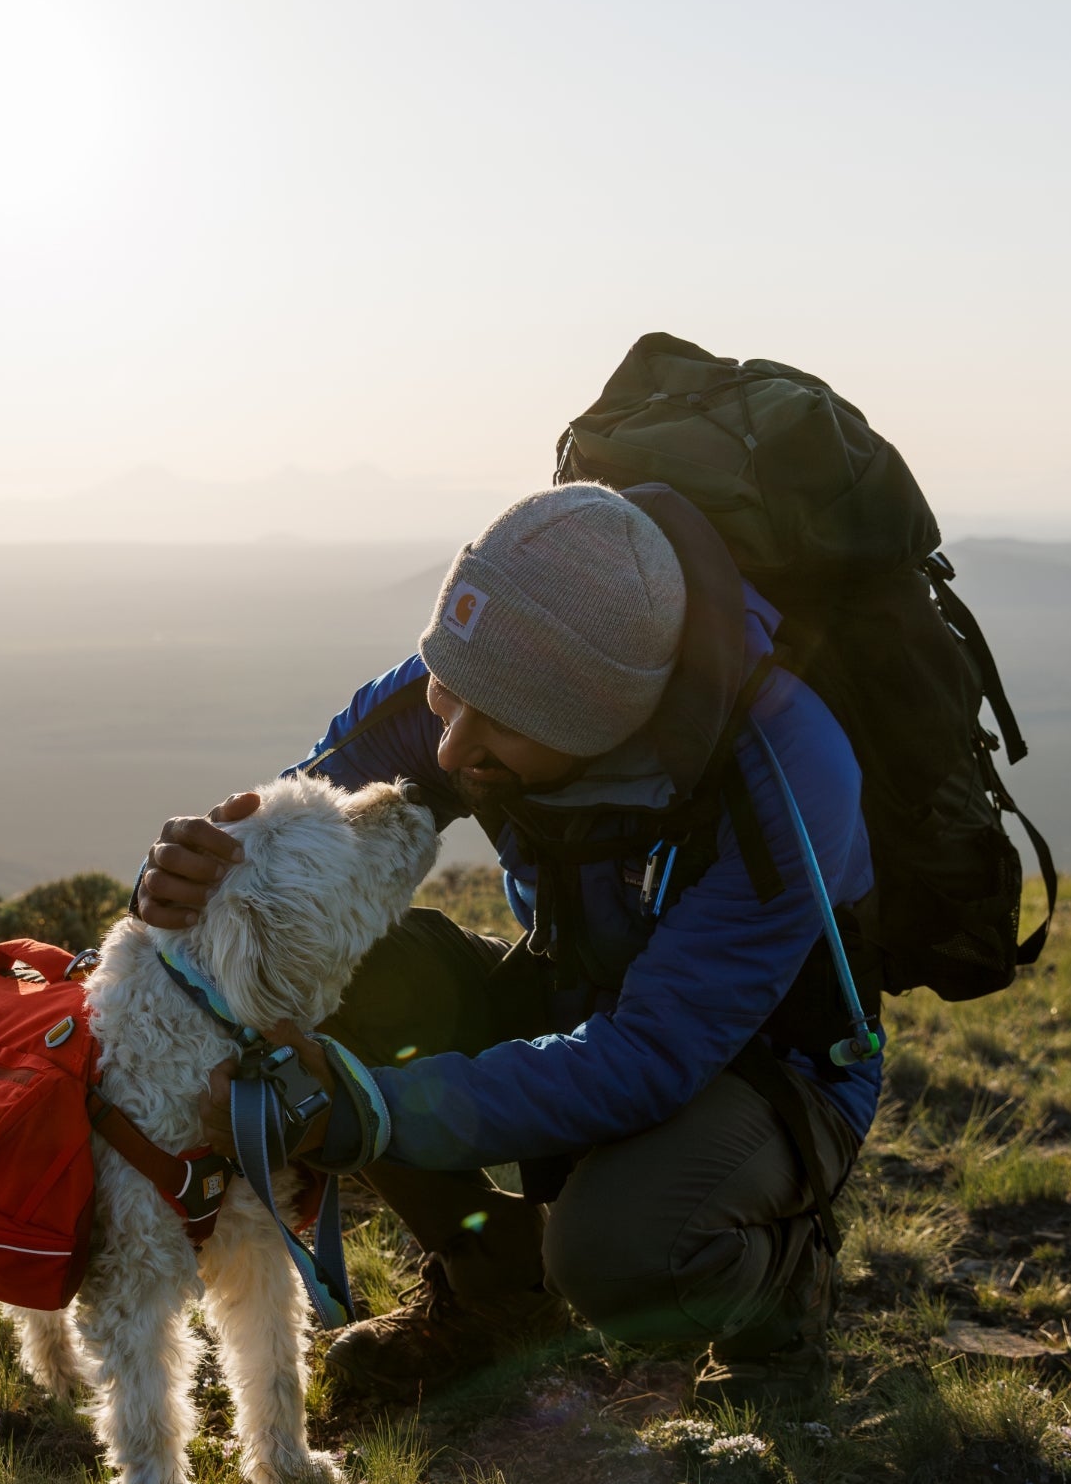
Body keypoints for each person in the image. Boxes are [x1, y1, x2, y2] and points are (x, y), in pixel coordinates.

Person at [136, 480, 880, 1411]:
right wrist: (191, 874)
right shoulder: (478, 681)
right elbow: (295, 842)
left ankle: (778, 1293)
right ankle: (494, 1294)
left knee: (616, 1252)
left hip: (763, 1064)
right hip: (575, 994)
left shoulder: (785, 776)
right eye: (446, 693)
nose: (448, 748)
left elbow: (653, 1055)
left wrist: (369, 1110)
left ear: (605, 721)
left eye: (494, 726)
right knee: (345, 980)